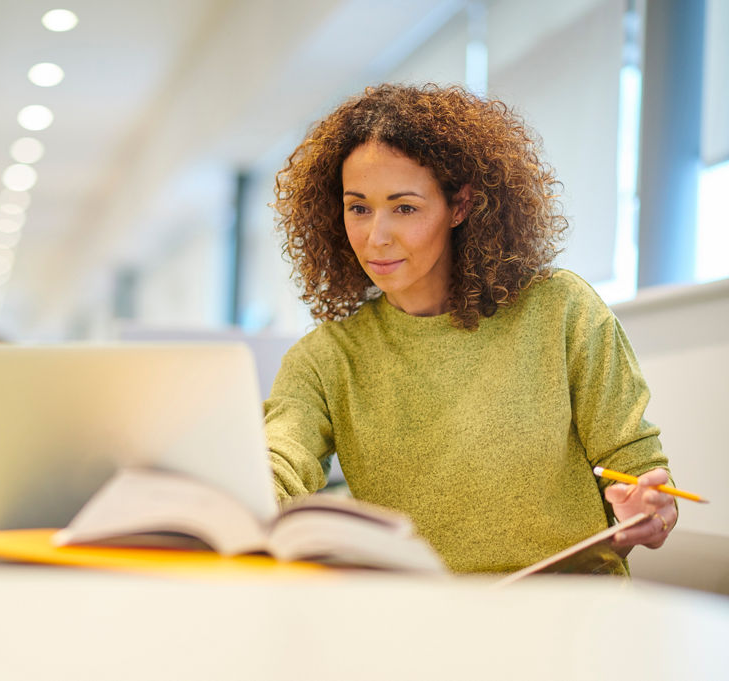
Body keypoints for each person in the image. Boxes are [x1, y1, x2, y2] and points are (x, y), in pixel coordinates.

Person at [267, 83, 675, 575]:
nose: (376, 237)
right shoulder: (325, 358)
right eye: (359, 208)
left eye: (405, 207)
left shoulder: (561, 310)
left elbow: (637, 466)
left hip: (570, 619)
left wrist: (649, 505)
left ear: (459, 206)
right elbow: (280, 461)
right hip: (423, 626)